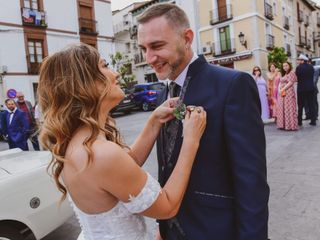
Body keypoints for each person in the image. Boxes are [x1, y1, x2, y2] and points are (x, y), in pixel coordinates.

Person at [37, 43, 206, 240]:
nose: (115, 73)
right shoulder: (102, 154)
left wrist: (154, 121)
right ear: (85, 83)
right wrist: (191, 140)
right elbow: (167, 206)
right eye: (105, 65)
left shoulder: (77, 143)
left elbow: (124, 170)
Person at [137, 3, 269, 240]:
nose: (149, 58)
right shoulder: (162, 93)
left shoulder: (233, 85)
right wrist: (162, 225)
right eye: (143, 48)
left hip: (216, 230)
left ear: (187, 38)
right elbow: (166, 166)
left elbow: (252, 181)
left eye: (157, 46)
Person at [276, 61, 298, 131]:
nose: (285, 67)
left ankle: (291, 125)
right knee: (284, 108)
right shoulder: (285, 73)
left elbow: (291, 82)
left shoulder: (292, 72)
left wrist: (282, 89)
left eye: (286, 65)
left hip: (289, 93)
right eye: (284, 66)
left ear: (289, 66)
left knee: (289, 108)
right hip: (283, 93)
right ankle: (284, 125)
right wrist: (279, 89)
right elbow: (280, 82)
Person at [295, 54, 317, 126]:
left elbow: (297, 77)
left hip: (301, 89)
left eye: (299, 60)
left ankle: (299, 122)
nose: (298, 61)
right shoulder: (311, 67)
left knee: (300, 105)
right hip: (311, 88)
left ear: (302, 60)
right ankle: (313, 121)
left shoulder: (298, 68)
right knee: (311, 104)